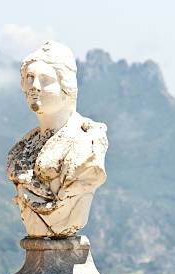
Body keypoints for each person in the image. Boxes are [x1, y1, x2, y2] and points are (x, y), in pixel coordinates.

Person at [6, 41, 108, 238]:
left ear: (65, 86)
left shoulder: (86, 144)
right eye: (29, 78)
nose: (34, 86)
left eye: (44, 79)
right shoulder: (23, 149)